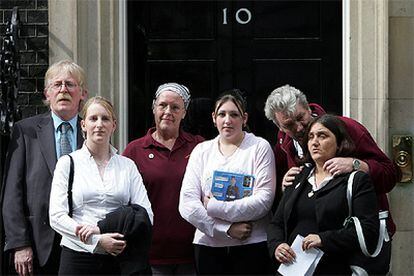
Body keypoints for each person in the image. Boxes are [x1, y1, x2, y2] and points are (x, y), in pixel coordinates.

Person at [264, 84, 400, 237]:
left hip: (358, 236)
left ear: (308, 108)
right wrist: (286, 186)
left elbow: (390, 174)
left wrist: (356, 164)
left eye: (301, 118)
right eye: (289, 125)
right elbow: (280, 197)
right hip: (312, 241)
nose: (299, 128)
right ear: (280, 127)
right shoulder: (284, 143)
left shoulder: (347, 127)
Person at [49, 96, 153, 274]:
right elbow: (57, 216)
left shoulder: (127, 166)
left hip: (120, 256)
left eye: (105, 119)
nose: (99, 124)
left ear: (114, 125)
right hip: (78, 256)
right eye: (93, 118)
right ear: (83, 125)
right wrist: (95, 240)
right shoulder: (68, 163)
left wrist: (104, 229)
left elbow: (146, 215)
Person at [1, 60, 88, 275]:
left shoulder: (93, 129)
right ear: (46, 94)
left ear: (83, 93)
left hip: (82, 242)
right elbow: (12, 192)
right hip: (38, 243)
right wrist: (19, 243)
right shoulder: (25, 131)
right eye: (56, 85)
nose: (63, 90)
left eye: (70, 84)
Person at [267, 114, 380, 275]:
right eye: (311, 137)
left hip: (335, 268)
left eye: (322, 136)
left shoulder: (356, 180)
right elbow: (276, 223)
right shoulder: (298, 176)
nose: (315, 142)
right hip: (293, 269)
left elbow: (368, 231)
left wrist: (324, 239)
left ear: (340, 142)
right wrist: (277, 245)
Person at [179, 89, 276, 275]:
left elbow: (263, 201)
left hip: (252, 244)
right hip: (208, 246)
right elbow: (187, 204)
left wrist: (214, 206)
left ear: (244, 118)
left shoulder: (259, 147)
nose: (227, 120)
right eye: (222, 114)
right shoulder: (201, 151)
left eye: (234, 114)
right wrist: (227, 229)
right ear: (214, 117)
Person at [123, 83, 204, 275]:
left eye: (175, 107)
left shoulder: (199, 146)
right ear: (153, 108)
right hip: (150, 255)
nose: (168, 111)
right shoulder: (134, 150)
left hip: (193, 253)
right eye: (163, 105)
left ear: (184, 113)